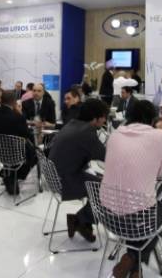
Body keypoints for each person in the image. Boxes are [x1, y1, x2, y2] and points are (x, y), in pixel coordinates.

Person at [102, 100, 162, 278]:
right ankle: (132, 257)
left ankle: (135, 268)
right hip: (136, 217)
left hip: (106, 214)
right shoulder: (160, 136)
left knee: (145, 214)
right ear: (153, 118)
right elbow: (161, 173)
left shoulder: (115, 134)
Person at [48, 99, 108, 243]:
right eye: (104, 117)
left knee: (99, 181)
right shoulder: (87, 132)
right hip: (65, 181)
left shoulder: (73, 124)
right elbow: (106, 156)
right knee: (106, 190)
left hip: (55, 176)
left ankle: (83, 222)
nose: (105, 120)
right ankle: (79, 220)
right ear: (95, 118)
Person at [0, 92, 37, 194]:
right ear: (14, 102)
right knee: (35, 154)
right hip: (15, 154)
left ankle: (8, 174)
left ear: (2, 100)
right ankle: (14, 176)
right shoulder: (18, 117)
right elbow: (27, 135)